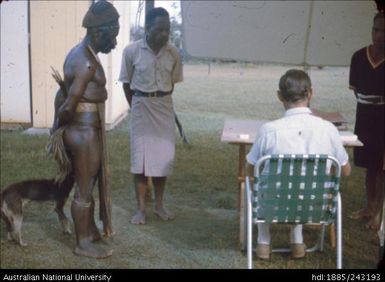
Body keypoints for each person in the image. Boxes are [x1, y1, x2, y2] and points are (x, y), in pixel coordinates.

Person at [246, 69, 351, 260]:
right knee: (303, 186)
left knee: (261, 184)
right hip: (316, 205)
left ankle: (263, 241)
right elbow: (345, 171)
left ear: (279, 96)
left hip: (273, 205)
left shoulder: (269, 130)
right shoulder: (328, 129)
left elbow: (250, 170)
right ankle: (297, 240)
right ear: (310, 93)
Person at [48, 0, 119, 258]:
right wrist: (59, 129)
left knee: (86, 184)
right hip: (84, 131)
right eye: (113, 35)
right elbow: (67, 104)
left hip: (87, 130)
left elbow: (61, 93)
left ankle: (90, 232)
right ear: (100, 31)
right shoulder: (86, 62)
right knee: (85, 188)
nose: (114, 42)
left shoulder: (81, 53)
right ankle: (83, 243)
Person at [119, 7, 183, 225]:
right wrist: (139, 104)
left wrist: (158, 98)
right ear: (147, 28)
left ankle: (159, 206)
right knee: (140, 161)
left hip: (164, 107)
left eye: (167, 29)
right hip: (140, 107)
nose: (164, 34)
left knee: (162, 159)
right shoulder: (131, 51)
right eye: (159, 29)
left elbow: (171, 84)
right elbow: (126, 84)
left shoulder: (173, 53)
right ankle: (140, 210)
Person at [348, 12, 384, 230]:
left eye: (384, 31)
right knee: (369, 165)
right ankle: (370, 206)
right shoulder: (359, 57)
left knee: (382, 167)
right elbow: (357, 91)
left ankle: (379, 214)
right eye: (376, 30)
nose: (379, 35)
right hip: (364, 115)